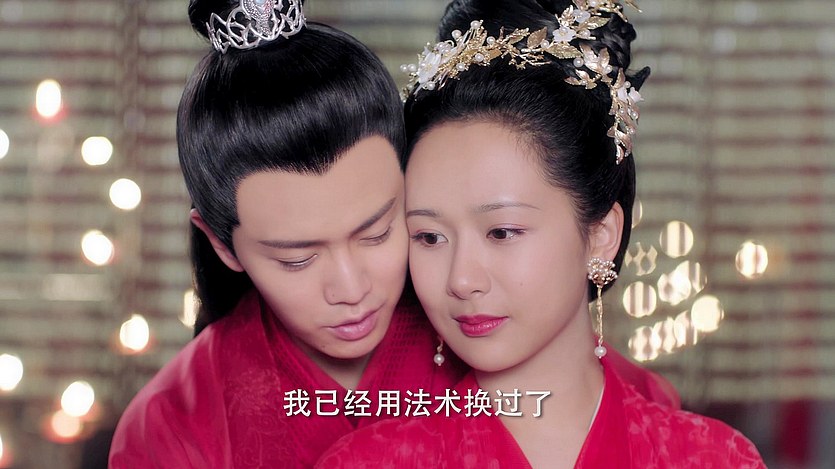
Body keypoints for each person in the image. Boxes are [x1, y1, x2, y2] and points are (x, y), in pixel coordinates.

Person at [316, 0, 765, 467]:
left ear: (600, 234)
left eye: (502, 232)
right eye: (429, 237)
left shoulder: (712, 458)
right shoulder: (371, 461)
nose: (461, 280)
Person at [108, 0, 468, 467]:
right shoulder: (168, 428)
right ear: (221, 244)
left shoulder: (488, 335)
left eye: (377, 232)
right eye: (297, 259)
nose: (351, 289)